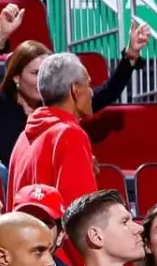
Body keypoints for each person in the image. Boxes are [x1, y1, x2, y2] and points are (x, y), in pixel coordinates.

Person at [0, 13, 148, 162]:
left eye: (46, 74)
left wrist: (131, 54)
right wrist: (1, 37)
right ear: (16, 76)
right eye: (35, 73)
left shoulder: (58, 104)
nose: (42, 80)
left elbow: (108, 92)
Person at [7, 52, 97, 209]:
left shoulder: (22, 138)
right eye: (88, 85)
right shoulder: (70, 135)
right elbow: (80, 218)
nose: (92, 92)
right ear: (75, 89)